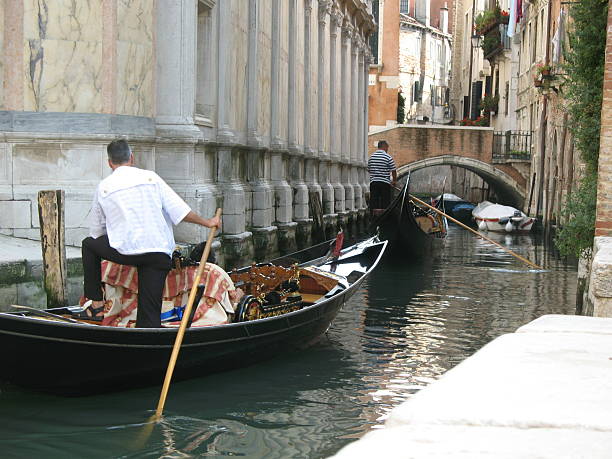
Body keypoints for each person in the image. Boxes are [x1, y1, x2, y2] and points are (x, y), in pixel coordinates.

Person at [78, 138, 221, 328]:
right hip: (158, 254)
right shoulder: (151, 178)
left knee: (89, 245)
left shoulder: (104, 187)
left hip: (125, 252)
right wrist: (208, 222)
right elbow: (180, 211)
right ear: (132, 158)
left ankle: (96, 304)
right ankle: (149, 333)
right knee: (150, 313)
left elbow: (97, 232)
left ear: (110, 163)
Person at [368, 140, 397, 210]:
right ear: (384, 146)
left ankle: (374, 216)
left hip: (374, 182)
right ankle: (384, 215)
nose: (387, 149)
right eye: (387, 147)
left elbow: (369, 170)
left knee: (374, 201)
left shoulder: (371, 157)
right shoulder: (388, 157)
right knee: (385, 202)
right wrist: (394, 181)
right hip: (385, 183)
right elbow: (393, 170)